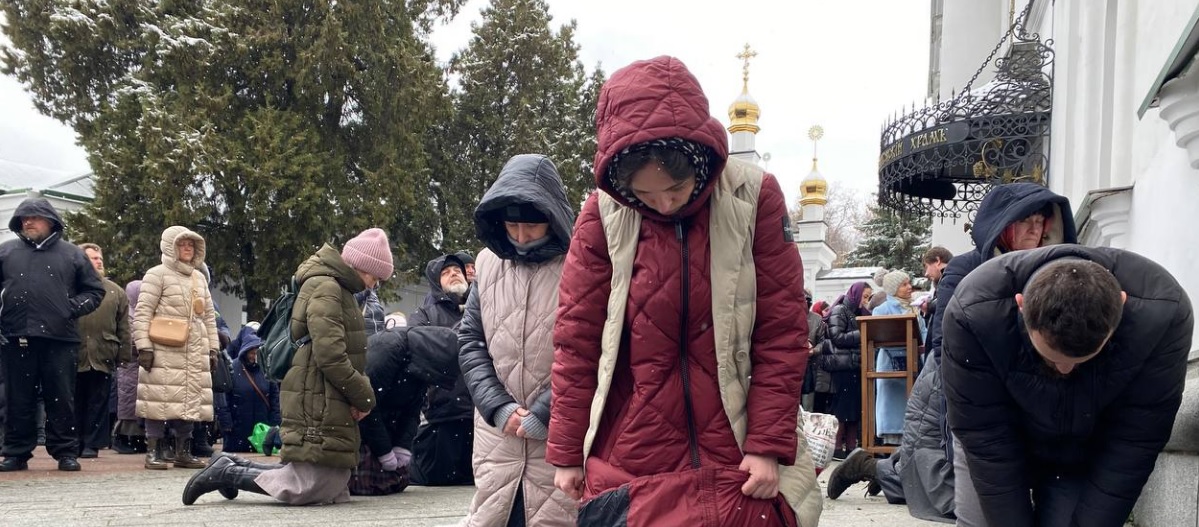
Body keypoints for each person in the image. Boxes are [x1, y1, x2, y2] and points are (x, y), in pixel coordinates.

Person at [548, 56, 821, 526]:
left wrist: (767, 445)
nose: (665, 203)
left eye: (675, 186)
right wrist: (567, 450)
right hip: (632, 447)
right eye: (646, 194)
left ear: (699, 156)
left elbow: (781, 332)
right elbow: (576, 342)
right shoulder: (602, 214)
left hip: (736, 442)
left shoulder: (753, 197)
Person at [827, 183, 1076, 523]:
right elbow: (947, 344)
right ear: (1004, 224)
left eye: (1040, 222)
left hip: (1012, 387)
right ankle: (868, 466)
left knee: (970, 482)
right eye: (1026, 221)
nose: (1035, 230)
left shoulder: (1049, 271)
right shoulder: (964, 270)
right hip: (953, 380)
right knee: (950, 490)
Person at [943, 246, 1192, 527]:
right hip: (996, 437)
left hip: (1084, 445)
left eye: (1081, 360)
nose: (1064, 369)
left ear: (1121, 306)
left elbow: (1134, 440)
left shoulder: (1163, 313)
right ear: (1021, 305)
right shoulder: (973, 312)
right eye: (1050, 358)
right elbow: (984, 434)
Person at [182, 227, 390, 505]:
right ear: (360, 266)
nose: (373, 285)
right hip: (316, 391)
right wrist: (363, 395)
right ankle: (228, 473)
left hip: (320, 390)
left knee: (327, 482)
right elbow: (331, 355)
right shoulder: (329, 288)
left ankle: (229, 467)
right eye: (373, 277)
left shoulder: (335, 288)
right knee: (309, 486)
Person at [457, 154, 577, 526]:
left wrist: (546, 411)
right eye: (512, 226)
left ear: (552, 219)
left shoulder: (581, 263)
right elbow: (471, 341)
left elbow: (591, 348)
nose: (521, 237)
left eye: (532, 227)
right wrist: (498, 407)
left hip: (560, 437)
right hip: (499, 437)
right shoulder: (487, 264)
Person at [0, 198, 106, 472]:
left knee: (61, 398)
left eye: (34, 217)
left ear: (50, 220)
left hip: (60, 339)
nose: (28, 222)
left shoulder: (72, 254)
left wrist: (68, 309)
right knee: (17, 398)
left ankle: (65, 452)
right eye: (23, 218)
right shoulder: (6, 252)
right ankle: (15, 452)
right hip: (16, 336)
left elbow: (95, 291)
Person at [132, 226, 220, 470]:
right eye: (183, 245)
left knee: (189, 401)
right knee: (157, 400)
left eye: (191, 245)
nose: (188, 249)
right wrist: (144, 346)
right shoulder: (156, 275)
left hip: (194, 350)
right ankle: (153, 451)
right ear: (171, 247)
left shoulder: (199, 278)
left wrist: (213, 348)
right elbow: (143, 313)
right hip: (163, 348)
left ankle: (183, 451)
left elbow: (209, 318)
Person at [352, 325, 459, 496]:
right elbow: (366, 406)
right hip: (360, 421)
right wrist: (384, 451)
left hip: (384, 420)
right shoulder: (388, 349)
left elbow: (413, 408)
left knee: (394, 480)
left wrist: (402, 446)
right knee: (370, 483)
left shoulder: (422, 361)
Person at [407, 254, 474, 486]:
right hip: (443, 414)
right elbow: (415, 345)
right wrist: (459, 336)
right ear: (437, 284)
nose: (453, 273)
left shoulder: (484, 303)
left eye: (457, 270)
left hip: (480, 415)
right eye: (445, 273)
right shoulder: (425, 314)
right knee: (436, 480)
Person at [73, 243, 132, 459]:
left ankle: (92, 444)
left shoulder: (115, 291)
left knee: (98, 402)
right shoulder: (70, 287)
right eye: (92, 258)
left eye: (100, 258)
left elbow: (124, 326)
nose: (98, 262)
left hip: (103, 353)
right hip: (75, 353)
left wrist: (125, 355)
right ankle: (74, 441)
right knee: (74, 400)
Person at [871, 271, 925, 446]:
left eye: (909, 283)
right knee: (894, 409)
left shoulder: (915, 308)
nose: (909, 287)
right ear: (893, 289)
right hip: (891, 367)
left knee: (914, 408)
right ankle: (892, 444)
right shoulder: (882, 310)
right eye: (904, 284)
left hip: (915, 364)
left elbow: (923, 334)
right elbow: (878, 337)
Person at [824, 281, 873, 460]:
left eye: (869, 297)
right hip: (842, 366)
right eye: (864, 296)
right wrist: (864, 332)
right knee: (842, 409)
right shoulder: (840, 310)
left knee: (853, 409)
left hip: (855, 365)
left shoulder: (858, 312)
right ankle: (837, 447)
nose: (866, 301)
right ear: (856, 294)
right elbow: (837, 337)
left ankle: (852, 447)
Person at [221, 326, 280, 453]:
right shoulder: (233, 368)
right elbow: (224, 398)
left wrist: (275, 424)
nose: (255, 356)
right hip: (236, 432)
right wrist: (226, 423)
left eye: (257, 353)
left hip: (262, 431)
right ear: (245, 352)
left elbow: (275, 399)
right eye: (252, 353)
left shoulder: (267, 369)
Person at [112, 280, 147, 454]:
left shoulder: (137, 314)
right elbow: (132, 341)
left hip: (135, 368)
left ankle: (135, 438)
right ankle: (125, 438)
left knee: (134, 405)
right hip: (131, 368)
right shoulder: (131, 315)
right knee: (129, 406)